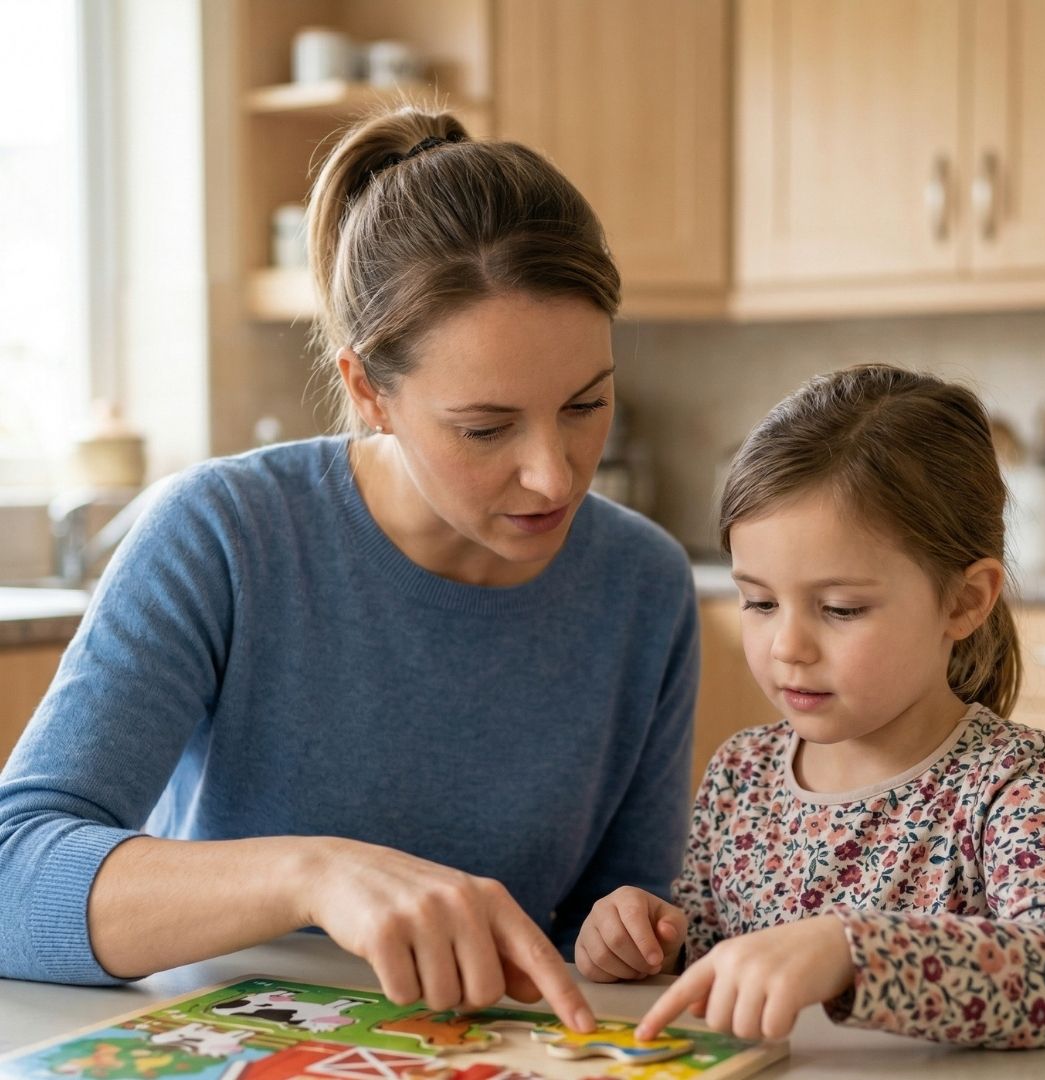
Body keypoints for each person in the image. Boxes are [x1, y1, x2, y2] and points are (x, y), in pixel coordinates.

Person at [0, 105, 699, 1030]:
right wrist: (313, 872)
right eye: (486, 428)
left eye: (586, 403)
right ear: (369, 389)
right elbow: (15, 873)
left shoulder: (644, 587)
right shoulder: (223, 534)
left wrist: (638, 931)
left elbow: (619, 939)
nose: (554, 472)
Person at [575, 364, 1045, 1049]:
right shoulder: (741, 775)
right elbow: (706, 950)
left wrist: (849, 951)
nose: (788, 646)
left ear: (964, 602)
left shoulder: (1012, 783)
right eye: (758, 601)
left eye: (840, 609)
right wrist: (646, 939)